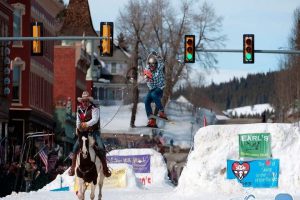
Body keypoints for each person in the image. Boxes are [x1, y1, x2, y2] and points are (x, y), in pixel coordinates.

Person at [68, 91, 111, 177]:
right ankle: (72, 168)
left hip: (93, 131)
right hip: (83, 132)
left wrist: (86, 124)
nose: (84, 103)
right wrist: (78, 127)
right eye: (83, 101)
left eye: (86, 101)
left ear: (89, 101)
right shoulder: (79, 109)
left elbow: (95, 119)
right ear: (81, 101)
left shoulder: (94, 109)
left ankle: (105, 169)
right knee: (75, 147)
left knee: (101, 147)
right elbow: (78, 121)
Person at [143, 52, 168, 128]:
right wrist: (147, 79)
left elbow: (162, 61)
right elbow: (149, 85)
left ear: (156, 64)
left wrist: (156, 55)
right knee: (146, 101)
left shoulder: (159, 68)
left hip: (159, 89)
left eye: (153, 65)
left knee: (154, 94)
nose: (152, 67)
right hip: (152, 89)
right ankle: (151, 120)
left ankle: (161, 111)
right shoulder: (147, 71)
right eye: (150, 65)